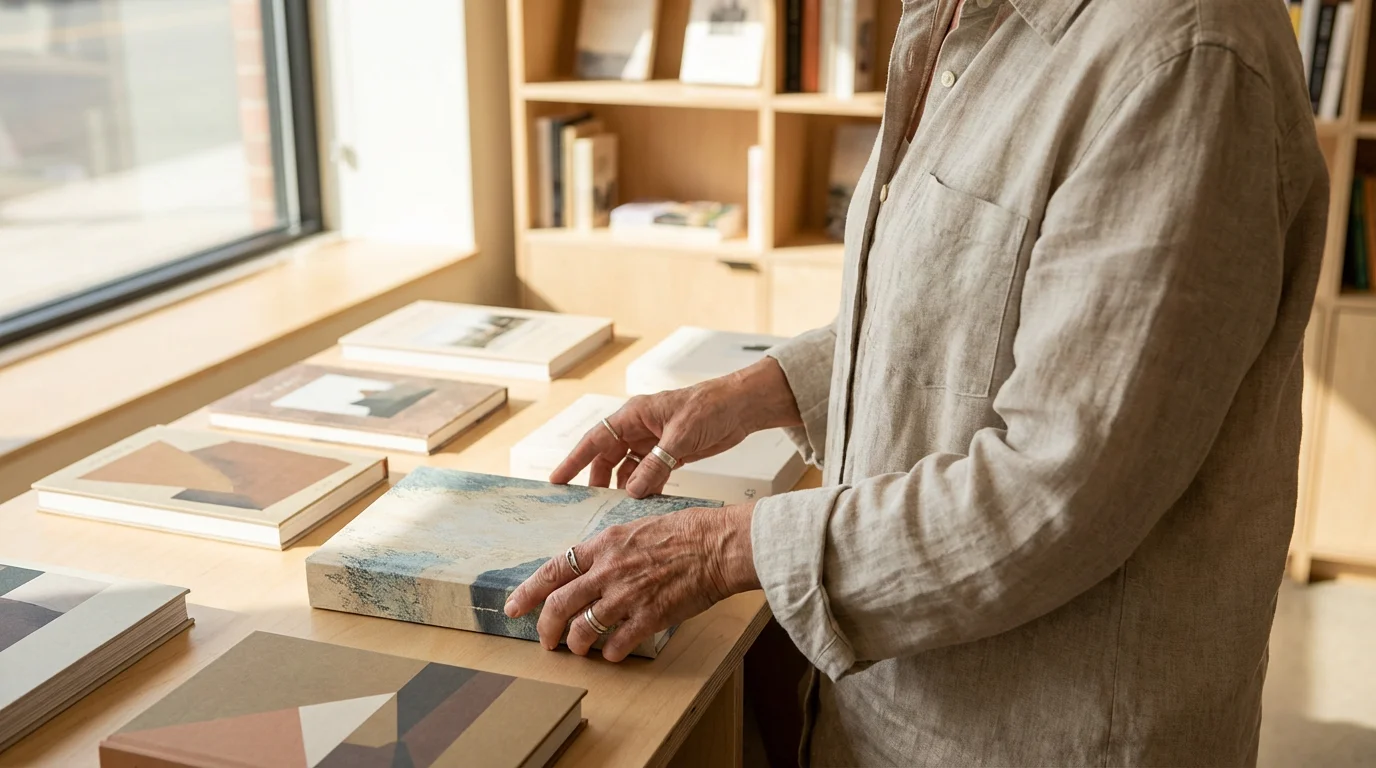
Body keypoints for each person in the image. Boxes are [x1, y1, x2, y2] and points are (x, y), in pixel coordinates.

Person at [505, 0, 1328, 764]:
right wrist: (757, 393)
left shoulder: (1186, 59)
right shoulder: (958, 17)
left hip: (1034, 736)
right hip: (890, 706)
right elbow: (950, 310)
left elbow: (1053, 494)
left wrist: (725, 546)